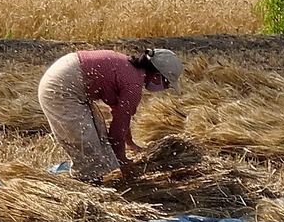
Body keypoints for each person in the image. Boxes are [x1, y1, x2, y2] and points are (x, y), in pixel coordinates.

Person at [37, 48, 184, 181]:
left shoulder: (131, 71)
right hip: (59, 88)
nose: (166, 88)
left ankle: (91, 179)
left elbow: (120, 117)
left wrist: (129, 142)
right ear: (157, 76)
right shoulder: (133, 85)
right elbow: (117, 129)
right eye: (167, 84)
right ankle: (86, 188)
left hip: (67, 75)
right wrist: (123, 162)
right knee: (88, 148)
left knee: (100, 141)